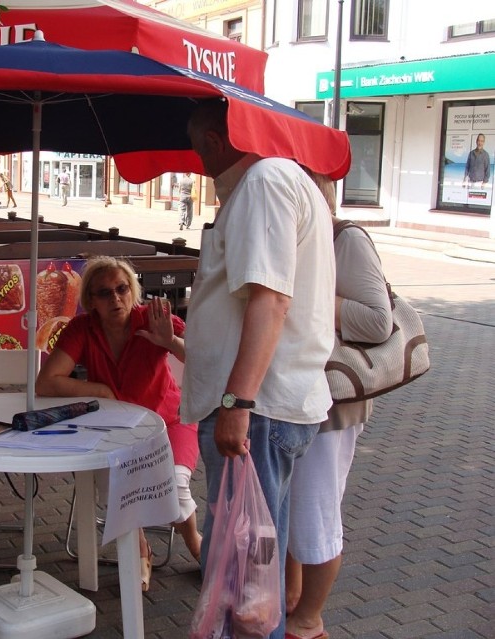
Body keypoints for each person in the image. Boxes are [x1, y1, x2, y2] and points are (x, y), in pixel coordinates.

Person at [182, 99, 336, 639]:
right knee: (254, 571)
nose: (195, 156)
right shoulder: (274, 182)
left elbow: (270, 300)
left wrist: (236, 404)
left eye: (196, 143)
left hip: (260, 412)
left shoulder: (264, 184)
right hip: (268, 412)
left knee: (250, 582)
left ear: (215, 141)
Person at [35, 256, 202, 591]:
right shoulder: (83, 328)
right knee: (116, 484)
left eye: (121, 289)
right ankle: (140, 550)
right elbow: (46, 382)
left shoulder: (151, 318)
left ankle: (195, 543)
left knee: (174, 483)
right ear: (91, 301)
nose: (115, 299)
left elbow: (202, 361)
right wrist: (99, 390)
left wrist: (169, 342)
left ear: (132, 290)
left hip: (168, 421)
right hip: (113, 429)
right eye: (104, 293)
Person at [284, 175, 392, 639]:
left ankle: (309, 621)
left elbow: (377, 321)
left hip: (332, 402)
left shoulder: (345, 238)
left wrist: (313, 299)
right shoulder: (300, 238)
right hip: (292, 396)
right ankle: (290, 601)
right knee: (289, 509)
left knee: (316, 514)